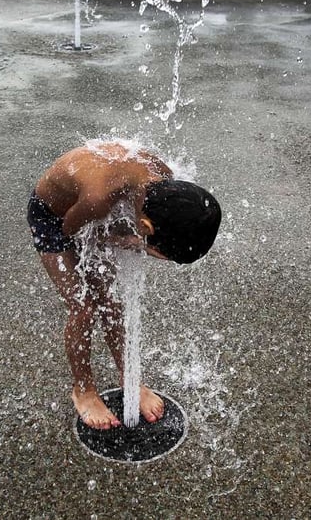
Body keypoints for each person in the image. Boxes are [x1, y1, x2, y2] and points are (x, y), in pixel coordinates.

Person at [27, 141, 222, 430]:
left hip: (89, 213)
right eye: (163, 255)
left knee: (109, 301)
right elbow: (72, 231)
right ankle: (83, 390)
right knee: (83, 304)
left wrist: (130, 239)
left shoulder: (162, 179)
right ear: (146, 227)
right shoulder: (99, 197)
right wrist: (125, 240)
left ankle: (130, 380)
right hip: (56, 218)